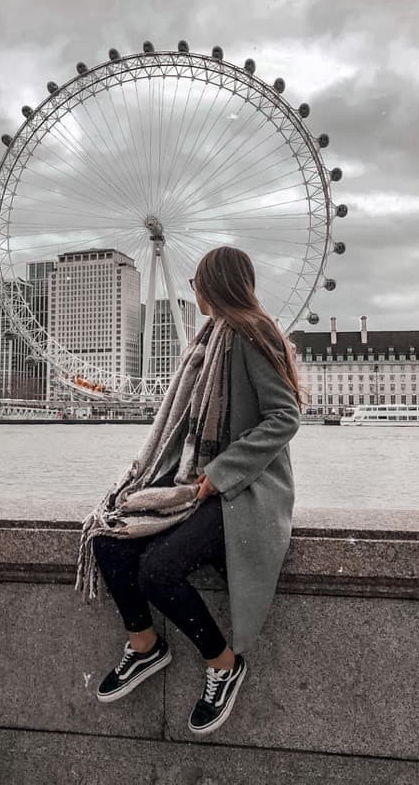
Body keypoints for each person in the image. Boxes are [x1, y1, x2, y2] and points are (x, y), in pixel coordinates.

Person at [76, 246, 301, 735]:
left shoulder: (252, 334)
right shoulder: (207, 338)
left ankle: (222, 663)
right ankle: (144, 646)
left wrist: (221, 473)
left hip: (244, 489)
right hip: (193, 478)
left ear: (215, 284)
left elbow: (285, 417)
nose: (192, 290)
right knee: (109, 539)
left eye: (197, 281)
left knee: (158, 569)